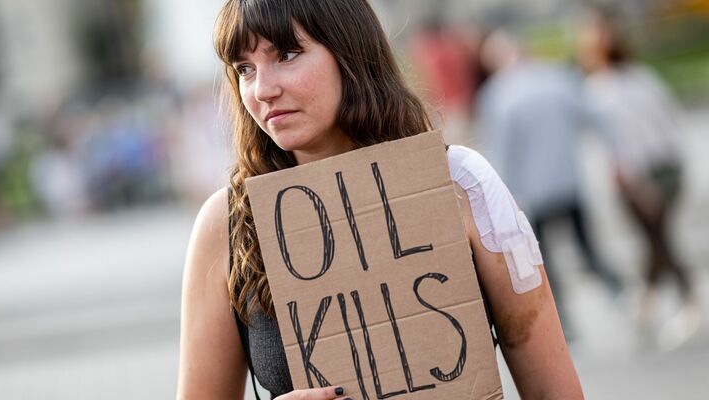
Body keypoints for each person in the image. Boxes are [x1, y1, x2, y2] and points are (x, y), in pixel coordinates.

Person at [178, 1, 583, 399]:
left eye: (286, 54)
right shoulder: (227, 224)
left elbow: (554, 390)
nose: (263, 90)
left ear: (349, 53)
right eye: (244, 69)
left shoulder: (461, 183)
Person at [477, 29, 623, 339]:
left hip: (531, 194)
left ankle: (563, 325)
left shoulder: (496, 96)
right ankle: (620, 293)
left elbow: (501, 154)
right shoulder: (556, 78)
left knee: (545, 263)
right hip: (568, 182)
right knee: (588, 250)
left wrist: (504, 200)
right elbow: (594, 116)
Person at [577, 7, 700, 345]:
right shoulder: (641, 76)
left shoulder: (599, 90)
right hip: (669, 167)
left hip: (640, 176)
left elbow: (623, 142)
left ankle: (687, 303)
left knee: (658, 239)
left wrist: (638, 183)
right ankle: (650, 303)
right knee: (656, 237)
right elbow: (670, 120)